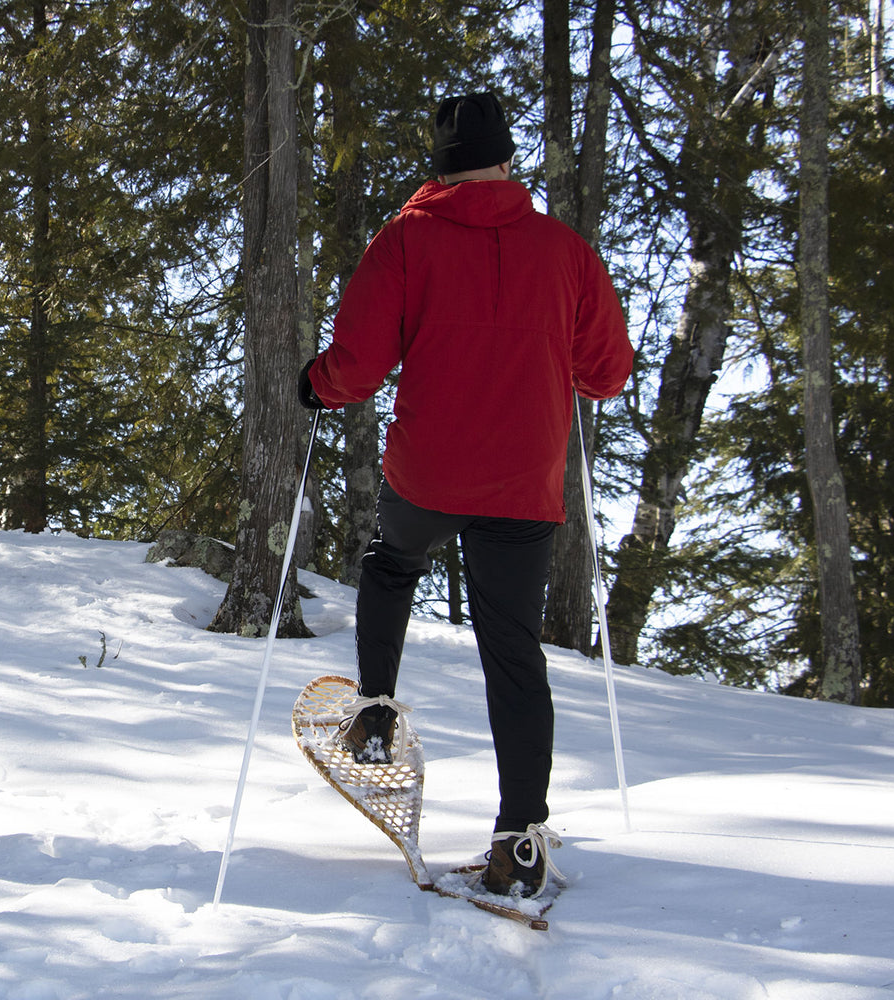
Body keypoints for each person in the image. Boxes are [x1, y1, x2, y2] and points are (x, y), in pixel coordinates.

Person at [297, 91, 633, 897]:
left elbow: (359, 363)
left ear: (439, 164)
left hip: (429, 472)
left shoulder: (405, 241)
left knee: (390, 564)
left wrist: (316, 385)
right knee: (514, 657)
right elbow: (609, 373)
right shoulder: (566, 252)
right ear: (507, 160)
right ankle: (519, 838)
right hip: (524, 485)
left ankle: (375, 713)